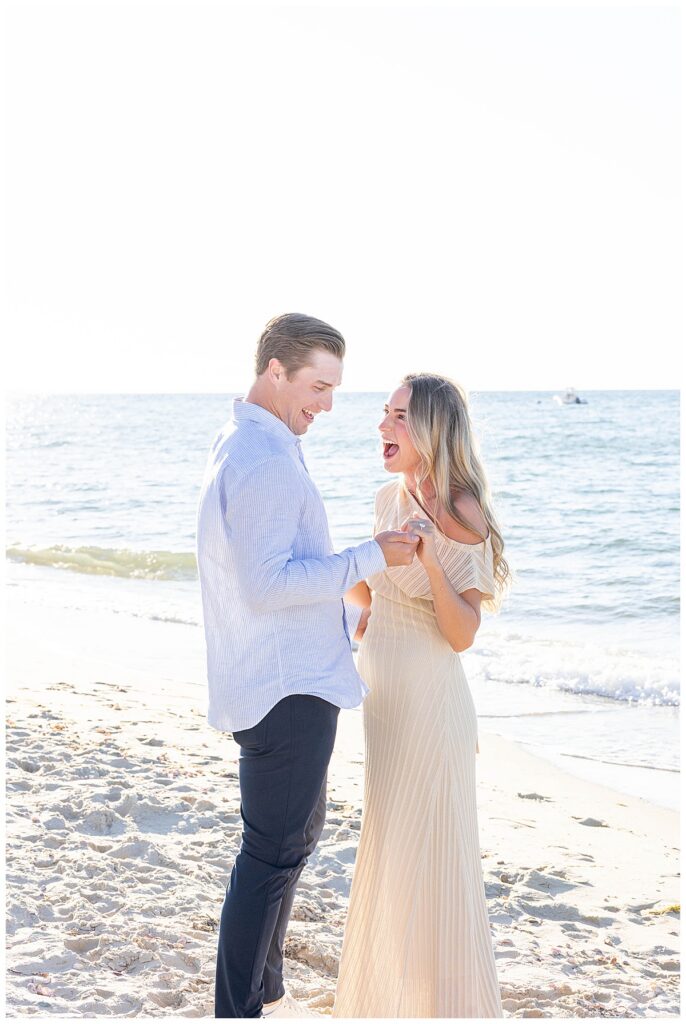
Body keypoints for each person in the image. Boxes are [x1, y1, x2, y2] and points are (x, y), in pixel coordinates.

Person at [196, 314, 419, 1019]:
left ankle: (260, 994)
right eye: (318, 386)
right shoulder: (261, 459)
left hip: (281, 676)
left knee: (288, 846)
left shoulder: (254, 444)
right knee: (270, 857)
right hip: (284, 689)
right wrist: (372, 556)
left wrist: (351, 614)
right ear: (275, 370)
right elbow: (266, 586)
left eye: (333, 389)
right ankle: (238, 1009)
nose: (326, 405)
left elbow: (267, 579)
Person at [334, 372, 511, 1019]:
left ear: (432, 428)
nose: (384, 426)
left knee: (437, 851)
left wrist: (432, 559)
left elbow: (462, 632)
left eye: (399, 416)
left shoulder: (463, 510)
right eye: (385, 413)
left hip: (434, 704)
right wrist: (348, 570)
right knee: (395, 847)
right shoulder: (387, 500)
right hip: (384, 702)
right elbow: (368, 595)